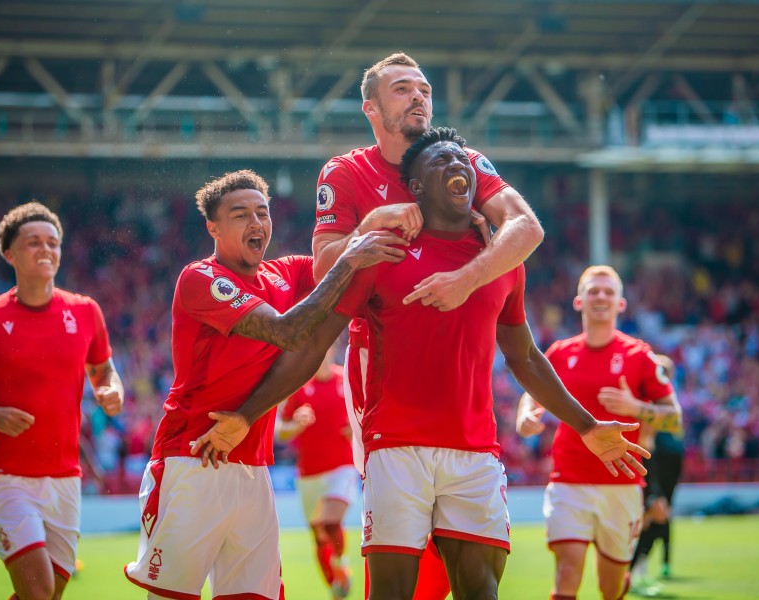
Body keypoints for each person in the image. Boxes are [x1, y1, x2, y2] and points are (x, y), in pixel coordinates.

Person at [191, 129, 650, 600]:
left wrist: (588, 426)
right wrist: (249, 415)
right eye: (442, 160)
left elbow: (525, 357)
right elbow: (312, 348)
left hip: (476, 453)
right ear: (414, 188)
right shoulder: (381, 253)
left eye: (462, 158)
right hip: (396, 449)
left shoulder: (503, 261)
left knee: (481, 591)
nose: (458, 164)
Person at [311, 51, 544, 599]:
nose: (418, 96)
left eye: (424, 89)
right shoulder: (347, 173)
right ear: (371, 107)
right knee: (398, 562)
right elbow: (322, 270)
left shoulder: (462, 158)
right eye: (401, 89)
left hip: (460, 368)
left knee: (461, 566)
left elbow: (526, 228)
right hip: (383, 374)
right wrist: (371, 223)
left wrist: (469, 276)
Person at [123, 170, 404, 600]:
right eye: (240, 214)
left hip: (253, 467)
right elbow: (290, 330)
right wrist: (351, 258)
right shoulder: (201, 278)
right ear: (212, 227)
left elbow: (347, 265)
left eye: (263, 212)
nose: (257, 223)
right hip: (193, 459)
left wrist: (383, 221)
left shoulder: (286, 273)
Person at [0, 201, 125, 600]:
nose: (46, 250)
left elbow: (104, 370)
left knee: (45, 596)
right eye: (33, 242)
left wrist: (111, 390)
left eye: (53, 242)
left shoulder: (85, 311)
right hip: (7, 478)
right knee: (39, 593)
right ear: (9, 253)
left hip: (65, 480)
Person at [516, 266, 683, 600]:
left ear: (621, 304)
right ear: (579, 301)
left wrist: (635, 407)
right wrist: (525, 415)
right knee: (566, 575)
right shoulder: (561, 353)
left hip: (621, 485)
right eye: (594, 291)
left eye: (609, 292)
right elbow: (530, 391)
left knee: (610, 586)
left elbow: (675, 420)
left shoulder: (640, 356)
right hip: (568, 480)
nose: (601, 297)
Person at [275, 341, 357, 599]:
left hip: (342, 468)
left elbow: (367, 414)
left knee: (331, 521)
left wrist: (356, 428)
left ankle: (341, 563)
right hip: (309, 474)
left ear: (332, 349)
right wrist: (296, 425)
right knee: (319, 536)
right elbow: (281, 431)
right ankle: (335, 583)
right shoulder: (299, 388)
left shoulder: (346, 380)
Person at [630, 355, 685, 596]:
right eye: (663, 370)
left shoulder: (662, 401)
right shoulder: (650, 401)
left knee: (655, 516)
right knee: (651, 516)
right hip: (649, 464)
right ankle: (631, 572)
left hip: (658, 465)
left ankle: (635, 571)